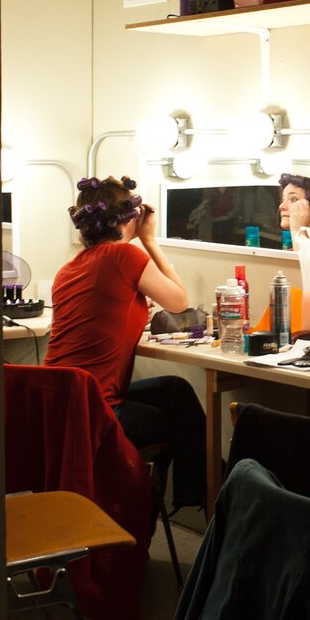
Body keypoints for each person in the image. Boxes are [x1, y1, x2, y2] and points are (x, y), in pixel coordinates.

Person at [44, 176, 206, 512]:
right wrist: (149, 240)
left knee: (174, 391)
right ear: (127, 218)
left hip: (61, 405)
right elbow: (179, 301)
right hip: (98, 411)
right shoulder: (124, 257)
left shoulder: (68, 270)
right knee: (177, 418)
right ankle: (188, 502)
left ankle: (188, 499)